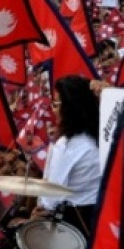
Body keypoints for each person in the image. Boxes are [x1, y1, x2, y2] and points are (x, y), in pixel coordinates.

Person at [37, 75, 101, 233]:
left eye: (56, 105)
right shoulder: (103, 140)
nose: (53, 111)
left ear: (69, 108)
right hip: (100, 222)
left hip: (73, 226)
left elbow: (50, 200)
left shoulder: (66, 146)